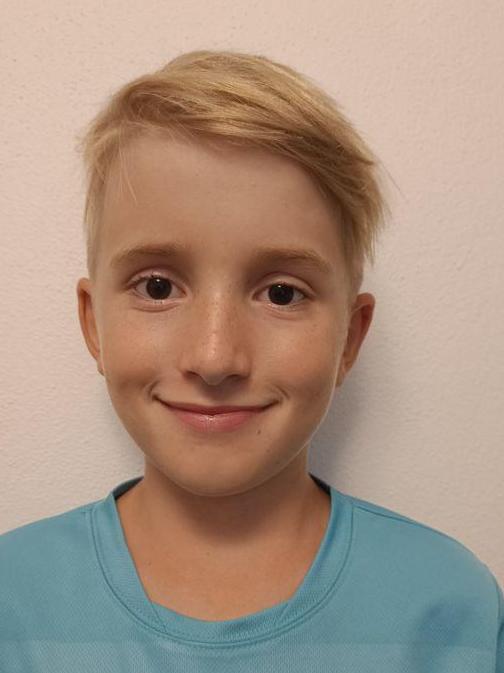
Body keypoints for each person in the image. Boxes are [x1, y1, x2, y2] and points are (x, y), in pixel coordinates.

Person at [1, 48, 502, 672]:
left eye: (282, 294)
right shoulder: (12, 602)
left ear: (350, 338)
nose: (215, 357)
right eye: (158, 287)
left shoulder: (450, 608)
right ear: (92, 323)